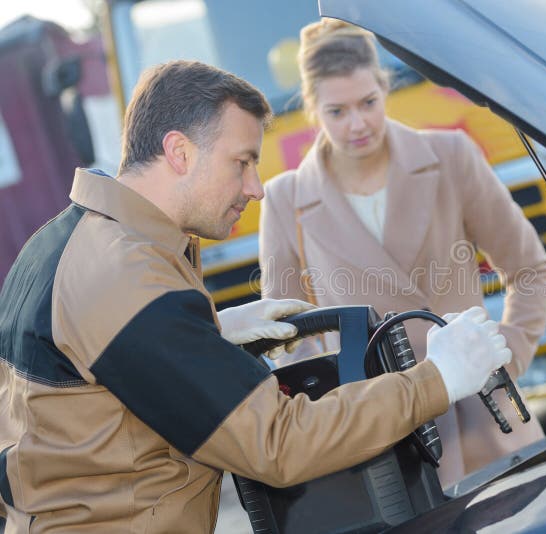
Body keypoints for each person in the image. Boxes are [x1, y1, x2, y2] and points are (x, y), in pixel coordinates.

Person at [0, 60, 514, 532]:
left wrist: (209, 331)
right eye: (241, 162)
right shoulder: (128, 277)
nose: (257, 187)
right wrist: (438, 379)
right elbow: (277, 443)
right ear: (179, 152)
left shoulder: (57, 244)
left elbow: (70, 402)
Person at [259, 19, 546, 488]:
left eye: (368, 103)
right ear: (313, 109)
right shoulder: (284, 198)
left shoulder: (451, 155)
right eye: (337, 111)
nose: (357, 124)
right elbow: (287, 337)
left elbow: (529, 268)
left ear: (384, 87)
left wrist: (505, 358)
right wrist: (338, 411)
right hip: (382, 439)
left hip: (483, 418)